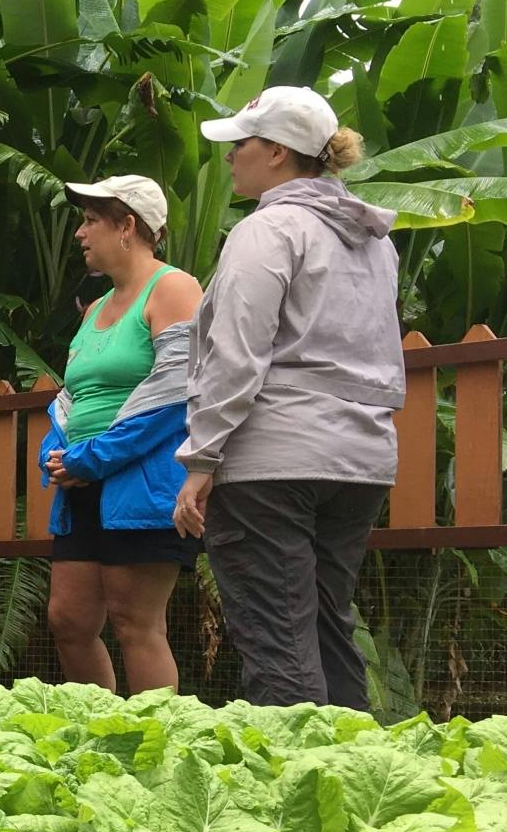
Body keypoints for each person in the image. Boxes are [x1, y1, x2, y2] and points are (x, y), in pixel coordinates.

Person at [173, 86, 403, 710]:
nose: (230, 158)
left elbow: (237, 355)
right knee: (330, 626)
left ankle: (298, 792)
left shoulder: (267, 229)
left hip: (271, 461)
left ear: (276, 152)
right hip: (361, 458)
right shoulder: (374, 239)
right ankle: (359, 783)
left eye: (240, 145)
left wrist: (202, 461)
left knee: (276, 637)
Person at [38, 175, 203, 694]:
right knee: (69, 621)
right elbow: (72, 397)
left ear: (127, 226)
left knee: (137, 624)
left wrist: (93, 458)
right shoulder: (97, 307)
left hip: (141, 486)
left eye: (90, 221)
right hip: (82, 485)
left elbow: (176, 394)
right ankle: (101, 729)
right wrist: (57, 453)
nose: (80, 234)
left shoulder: (174, 288)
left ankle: (156, 747)